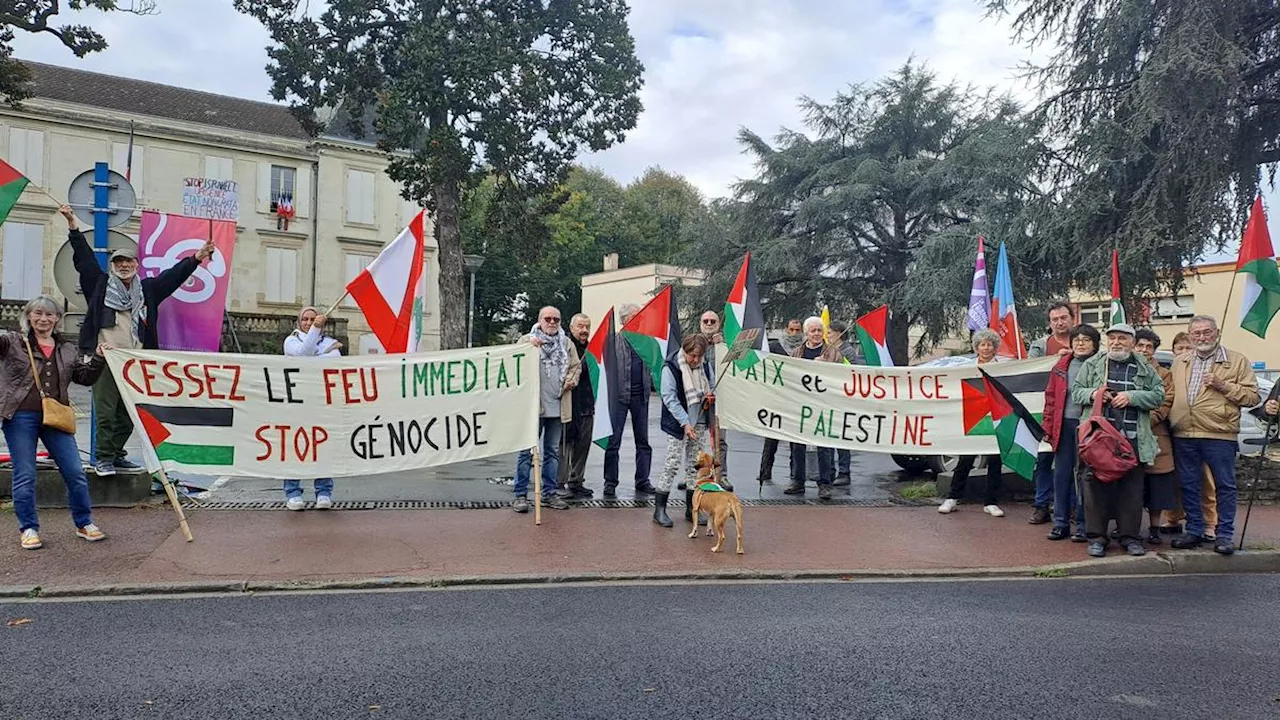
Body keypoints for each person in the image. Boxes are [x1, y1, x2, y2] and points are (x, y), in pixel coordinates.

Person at [63, 204, 215, 477]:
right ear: (112, 266)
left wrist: (197, 257)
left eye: (129, 262)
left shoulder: (147, 291)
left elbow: (174, 277)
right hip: (105, 359)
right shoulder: (98, 286)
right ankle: (104, 458)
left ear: (136, 266)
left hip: (135, 363)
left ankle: (117, 454)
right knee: (107, 412)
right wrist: (74, 226)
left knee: (130, 414)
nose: (124, 266)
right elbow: (83, 259)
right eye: (119, 262)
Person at [1, 296, 111, 549]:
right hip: (20, 416)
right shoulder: (12, 342)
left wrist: (98, 358)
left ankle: (84, 522)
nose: (43, 319)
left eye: (49, 314)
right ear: (28, 316)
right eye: (38, 313)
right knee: (25, 474)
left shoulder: (67, 348)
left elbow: (84, 378)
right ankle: (28, 528)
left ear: (58, 319)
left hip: (56, 416)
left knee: (75, 472)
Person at [1071, 323, 1166, 558]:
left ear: (1132, 343)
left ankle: (1130, 537)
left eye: (1122, 339)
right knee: (1095, 491)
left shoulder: (1144, 366)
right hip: (1098, 441)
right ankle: (1097, 538)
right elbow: (1076, 391)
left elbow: (1159, 395)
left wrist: (1132, 397)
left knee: (1131, 493)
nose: (1116, 343)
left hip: (1132, 441)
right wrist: (1095, 394)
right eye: (1112, 338)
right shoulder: (1093, 364)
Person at [1168, 316, 1260, 554]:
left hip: (1219, 433)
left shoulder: (1237, 361)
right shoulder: (1180, 361)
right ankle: (1195, 530)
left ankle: (1224, 535)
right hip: (1184, 431)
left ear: (1217, 333)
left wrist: (1223, 385)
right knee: (1189, 485)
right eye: (1196, 333)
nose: (1201, 337)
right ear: (1189, 336)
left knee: (1225, 486)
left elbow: (1253, 397)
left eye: (1206, 332)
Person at [512, 307, 580, 513]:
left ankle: (549, 493)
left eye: (556, 319)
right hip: (533, 408)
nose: (552, 322)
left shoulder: (566, 343)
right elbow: (514, 359)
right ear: (540, 320)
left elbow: (576, 367)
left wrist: (571, 380)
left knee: (552, 451)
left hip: (557, 407)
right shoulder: (527, 339)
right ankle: (520, 495)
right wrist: (528, 345)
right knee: (526, 452)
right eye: (548, 318)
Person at [938, 328, 1007, 517]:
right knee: (966, 459)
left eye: (989, 344)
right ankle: (952, 497)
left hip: (994, 418)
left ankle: (991, 502)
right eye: (982, 344)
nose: (986, 348)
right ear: (976, 348)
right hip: (973, 418)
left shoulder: (1004, 368)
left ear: (995, 347)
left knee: (995, 461)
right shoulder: (965, 368)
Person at [1040, 324, 1099, 541]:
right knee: (1061, 475)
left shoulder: (1101, 365)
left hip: (1089, 428)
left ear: (1094, 344)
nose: (1081, 344)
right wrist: (1048, 427)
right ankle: (1060, 523)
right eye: (1077, 340)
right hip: (1063, 426)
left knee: (1086, 477)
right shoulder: (1061, 365)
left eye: (1086, 340)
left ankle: (1084, 524)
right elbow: (1051, 398)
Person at [281, 306, 341, 510]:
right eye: (305, 319)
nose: (308, 322)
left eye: (313, 319)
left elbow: (333, 363)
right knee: (294, 447)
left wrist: (320, 352)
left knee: (323, 445)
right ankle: (293, 492)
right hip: (296, 402)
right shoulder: (290, 341)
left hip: (321, 401)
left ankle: (323, 492)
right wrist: (318, 345)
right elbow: (302, 356)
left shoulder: (330, 343)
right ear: (299, 322)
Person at [1160, 331, 1219, 536]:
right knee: (1174, 477)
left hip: (1198, 429)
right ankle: (1173, 517)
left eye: (1187, 347)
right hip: (1173, 428)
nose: (1183, 352)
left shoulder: (1200, 370)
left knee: (1203, 478)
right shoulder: (1170, 371)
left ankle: (1209, 521)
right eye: (1179, 348)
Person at [653, 334, 715, 527]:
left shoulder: (705, 365)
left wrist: (710, 397)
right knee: (672, 463)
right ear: (685, 351)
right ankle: (659, 510)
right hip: (678, 423)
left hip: (700, 420)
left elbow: (711, 386)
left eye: (699, 356)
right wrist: (685, 422)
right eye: (692, 356)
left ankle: (692, 509)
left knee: (693, 465)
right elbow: (669, 397)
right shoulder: (671, 366)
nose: (695, 360)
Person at [1027, 301, 1075, 524]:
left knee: (1073, 463)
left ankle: (1071, 506)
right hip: (1046, 411)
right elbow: (1030, 371)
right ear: (1050, 322)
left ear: (1072, 319)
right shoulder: (1040, 345)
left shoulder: (1084, 342)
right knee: (1044, 461)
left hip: (1072, 413)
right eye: (1055, 319)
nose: (1059, 322)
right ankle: (1041, 505)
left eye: (1063, 318)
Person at [785, 317, 842, 500]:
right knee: (797, 445)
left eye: (819, 330)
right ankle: (797, 481)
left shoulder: (833, 353)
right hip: (800, 406)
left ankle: (825, 483)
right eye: (813, 331)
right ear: (806, 333)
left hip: (824, 406)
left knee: (824, 447)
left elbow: (842, 376)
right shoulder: (796, 353)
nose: (816, 334)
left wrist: (826, 366)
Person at [604, 303, 655, 498]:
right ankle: (610, 482)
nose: (639, 320)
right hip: (618, 397)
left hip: (641, 396)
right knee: (613, 441)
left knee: (643, 441)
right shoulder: (612, 342)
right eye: (635, 316)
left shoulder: (646, 342)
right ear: (624, 320)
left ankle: (643, 480)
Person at [1134, 328, 1178, 544]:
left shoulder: (1164, 375)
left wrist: (1143, 419)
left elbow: (1165, 402)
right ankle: (1128, 528)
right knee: (1129, 486)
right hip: (1126, 435)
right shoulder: (1123, 369)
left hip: (1156, 434)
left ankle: (1153, 528)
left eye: (1148, 347)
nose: (1144, 350)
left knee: (1157, 485)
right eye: (1140, 345)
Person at [558, 313, 595, 501]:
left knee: (583, 445)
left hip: (587, 403)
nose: (584, 330)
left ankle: (576, 481)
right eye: (580, 326)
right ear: (571, 328)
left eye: (587, 326)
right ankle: (559, 483)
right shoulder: (563, 346)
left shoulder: (592, 348)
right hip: (568, 403)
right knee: (564, 444)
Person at [827, 319, 861, 485]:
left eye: (830, 333)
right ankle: (830, 471)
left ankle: (844, 472)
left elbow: (850, 373)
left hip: (841, 399)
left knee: (841, 437)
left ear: (839, 334)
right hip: (831, 398)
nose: (827, 336)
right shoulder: (830, 349)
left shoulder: (847, 352)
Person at [699, 310, 730, 483]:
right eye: (706, 321)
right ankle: (695, 474)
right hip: (698, 398)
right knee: (696, 438)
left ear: (718, 324)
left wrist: (724, 345)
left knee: (720, 440)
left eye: (713, 321)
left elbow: (735, 366)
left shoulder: (725, 345)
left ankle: (722, 475)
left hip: (720, 399)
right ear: (701, 324)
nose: (709, 324)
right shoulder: (693, 343)